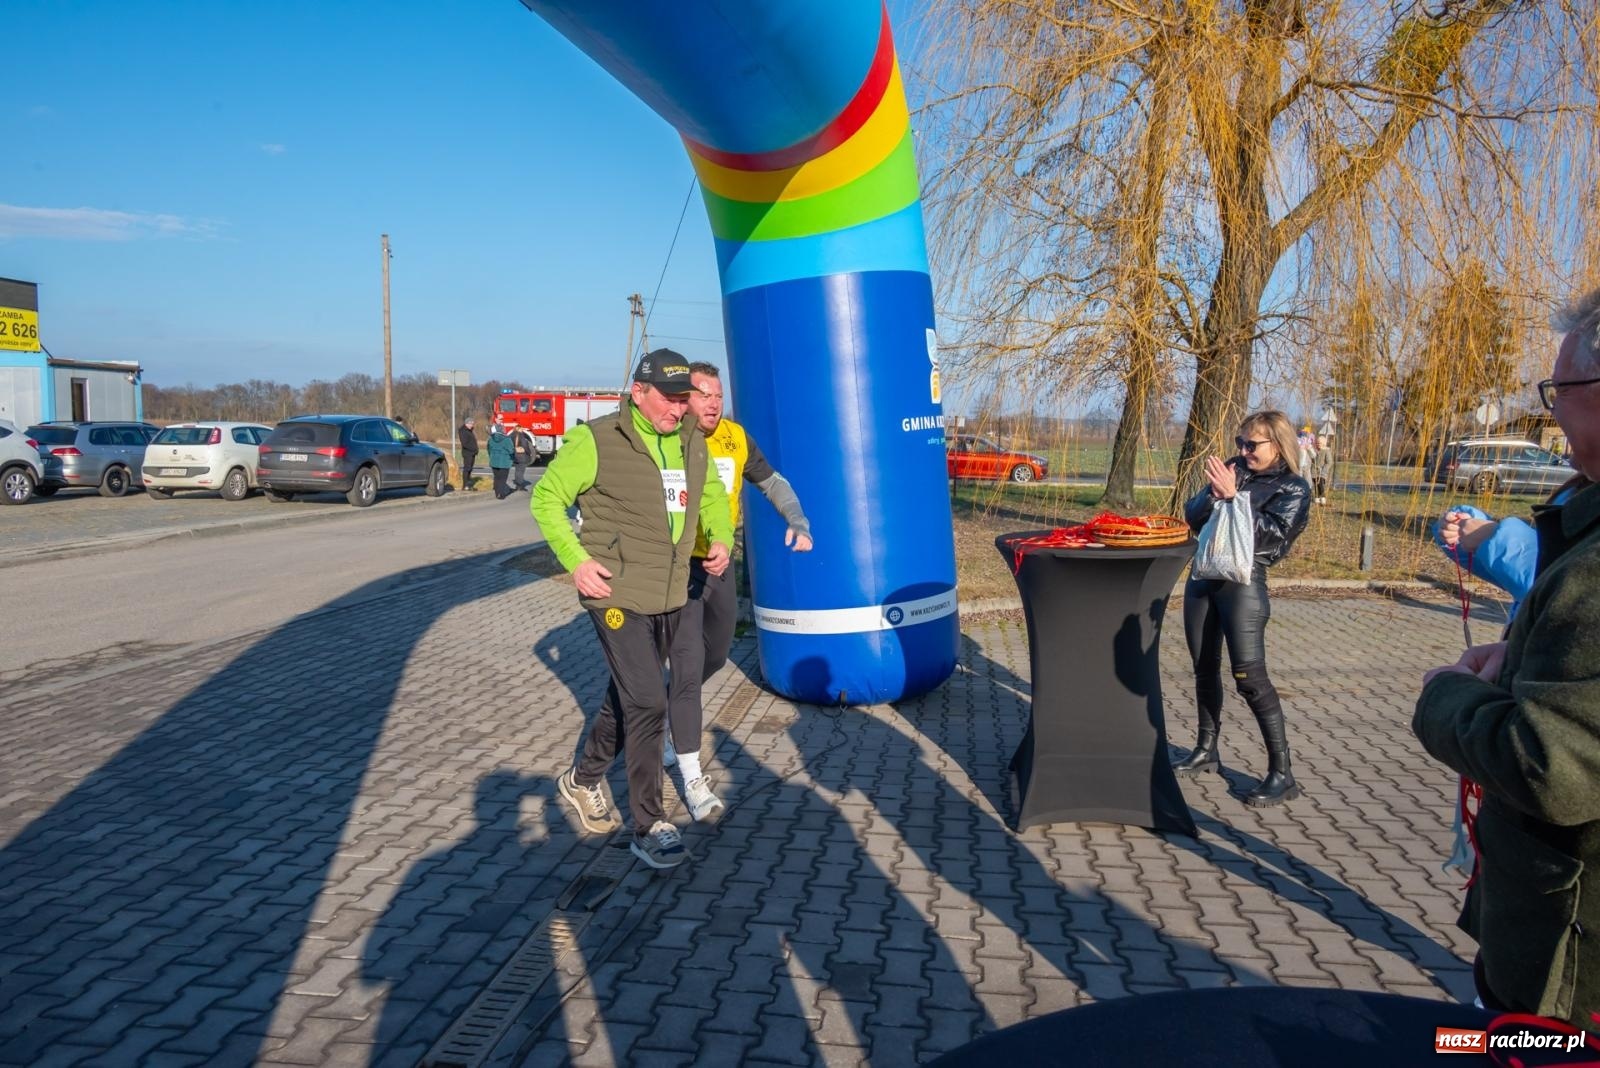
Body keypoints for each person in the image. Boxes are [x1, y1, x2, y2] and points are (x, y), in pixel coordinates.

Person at [1414, 289, 1600, 1027]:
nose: (1552, 411)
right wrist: (1520, 661)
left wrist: (1446, 698)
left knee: (1486, 1045)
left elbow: (1552, 763)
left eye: (1561, 391)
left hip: (1565, 984)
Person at [530, 348, 733, 869]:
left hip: (670, 594)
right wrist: (575, 561)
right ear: (638, 392)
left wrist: (721, 538)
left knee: (627, 699)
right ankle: (649, 825)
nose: (678, 409)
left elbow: (710, 494)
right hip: (614, 594)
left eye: (684, 399)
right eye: (669, 399)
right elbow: (546, 499)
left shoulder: (691, 440)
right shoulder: (596, 440)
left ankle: (582, 779)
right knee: (649, 701)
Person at [661, 361, 814, 818]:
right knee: (687, 669)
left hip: (721, 564)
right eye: (702, 394)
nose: (712, 402)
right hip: (678, 569)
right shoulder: (669, 439)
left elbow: (773, 482)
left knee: (718, 654)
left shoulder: (735, 437)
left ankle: (666, 706)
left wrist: (798, 521)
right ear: (684, 399)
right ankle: (690, 774)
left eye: (718, 394)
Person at [1173, 410, 1313, 806]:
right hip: (1204, 576)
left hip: (1245, 584)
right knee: (1202, 667)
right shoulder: (1234, 470)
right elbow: (1193, 517)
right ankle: (1206, 749)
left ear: (1278, 445)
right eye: (1240, 443)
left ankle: (1282, 773)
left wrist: (1235, 499)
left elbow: (1270, 539)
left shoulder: (1293, 488)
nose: (1243, 451)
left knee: (1249, 678)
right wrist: (1212, 493)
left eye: (1253, 445)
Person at [487, 420, 513, 499]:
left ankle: (496, 491)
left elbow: (488, 449)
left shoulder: (491, 439)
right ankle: (501, 494)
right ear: (502, 430)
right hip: (504, 462)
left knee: (496, 477)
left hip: (493, 461)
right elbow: (511, 450)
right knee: (503, 478)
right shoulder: (507, 439)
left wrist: (491, 456)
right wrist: (512, 458)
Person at [1309, 434, 1334, 504]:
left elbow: (1329, 462)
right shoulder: (1315, 451)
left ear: (1323, 443)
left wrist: (1324, 470)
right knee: (1315, 484)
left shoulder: (1326, 451)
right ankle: (1317, 498)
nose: (1317, 444)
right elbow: (1312, 459)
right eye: (1317, 443)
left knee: (1320, 484)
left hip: (1321, 472)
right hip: (1314, 471)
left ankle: (1323, 498)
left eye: (1319, 443)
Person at [457, 417, 479, 490]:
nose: (472, 425)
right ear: (466, 423)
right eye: (470, 424)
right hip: (467, 453)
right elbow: (465, 444)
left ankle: (468, 484)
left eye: (472, 424)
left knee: (470, 469)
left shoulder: (470, 431)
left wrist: (475, 450)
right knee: (467, 469)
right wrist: (473, 449)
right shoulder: (463, 431)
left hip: (472, 453)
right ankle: (465, 485)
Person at [511, 425, 535, 490]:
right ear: (519, 429)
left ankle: (517, 483)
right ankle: (520, 485)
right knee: (521, 471)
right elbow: (525, 445)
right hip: (521, 455)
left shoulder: (511, 435)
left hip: (514, 455)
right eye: (521, 429)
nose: (522, 430)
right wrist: (529, 453)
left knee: (517, 470)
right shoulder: (521, 435)